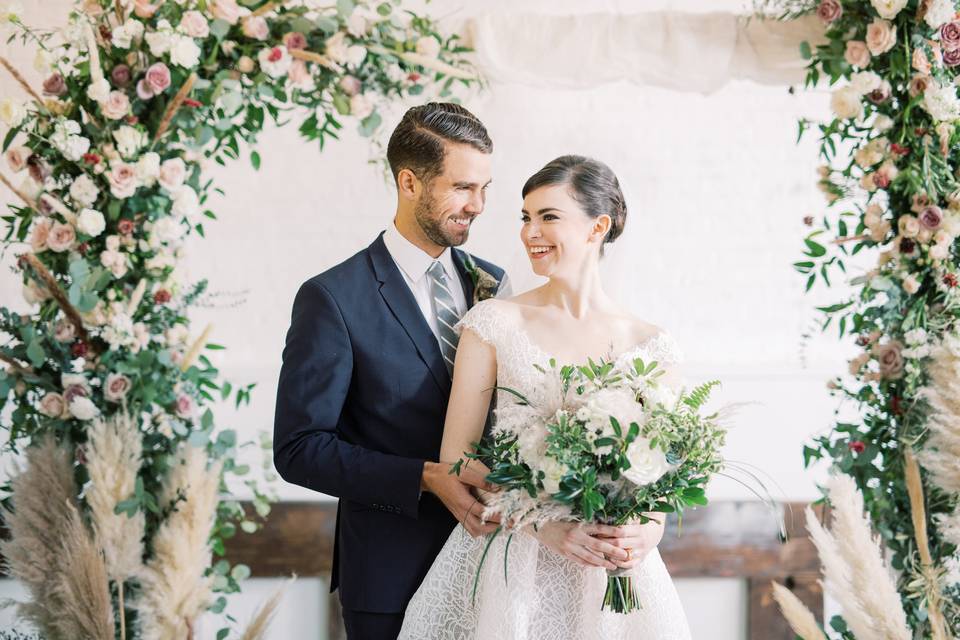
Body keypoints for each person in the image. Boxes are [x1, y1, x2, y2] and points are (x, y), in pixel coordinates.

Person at [399, 155, 692, 639]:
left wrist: (648, 532)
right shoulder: (495, 322)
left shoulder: (651, 344)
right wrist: (544, 524)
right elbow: (457, 458)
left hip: (614, 576)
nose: (530, 232)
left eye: (548, 217)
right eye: (526, 217)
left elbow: (666, 469)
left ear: (598, 226)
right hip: (517, 564)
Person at [273, 102, 510, 639]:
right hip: (391, 578)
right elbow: (299, 448)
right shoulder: (332, 298)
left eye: (485, 188)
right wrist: (427, 477)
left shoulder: (494, 284)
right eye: (462, 187)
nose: (478, 205)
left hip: (494, 570)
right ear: (409, 181)